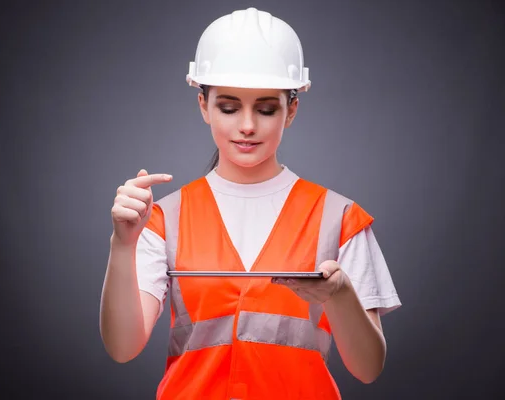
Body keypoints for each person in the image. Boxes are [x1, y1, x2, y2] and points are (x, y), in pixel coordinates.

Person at [100, 7, 401, 399]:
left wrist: (341, 295)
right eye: (228, 107)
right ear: (203, 106)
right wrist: (122, 244)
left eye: (265, 108)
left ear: (291, 110)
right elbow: (122, 348)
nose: (246, 125)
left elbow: (368, 369)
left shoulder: (338, 218)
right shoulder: (162, 219)